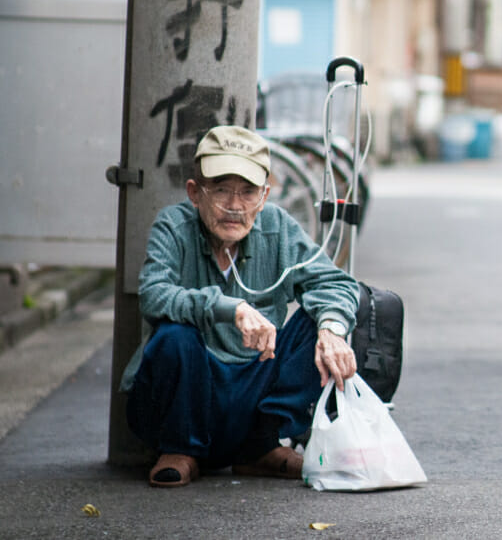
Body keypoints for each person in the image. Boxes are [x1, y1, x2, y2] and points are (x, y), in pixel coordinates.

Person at [120, 125, 360, 487]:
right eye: (220, 191)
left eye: (247, 193)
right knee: (174, 336)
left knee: (319, 324)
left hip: (252, 391)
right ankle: (179, 449)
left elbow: (334, 282)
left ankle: (260, 447)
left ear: (263, 197)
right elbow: (154, 294)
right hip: (188, 395)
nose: (234, 206)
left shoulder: (277, 227)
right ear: (195, 193)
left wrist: (331, 329)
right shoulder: (173, 225)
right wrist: (229, 308)